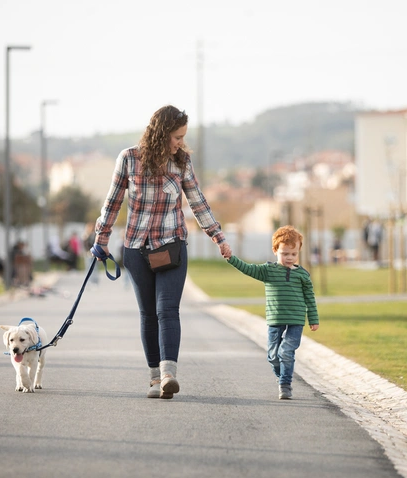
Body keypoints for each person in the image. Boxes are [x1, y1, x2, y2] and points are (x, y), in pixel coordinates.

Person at [91, 105, 231, 400]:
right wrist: (101, 238)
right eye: (177, 136)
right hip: (137, 249)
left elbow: (198, 202)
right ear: (162, 133)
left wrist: (217, 236)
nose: (181, 142)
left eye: (183, 137)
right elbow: (113, 202)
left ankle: (169, 375)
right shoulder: (128, 158)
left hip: (171, 247)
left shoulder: (182, 163)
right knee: (148, 315)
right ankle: (155, 379)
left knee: (167, 309)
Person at [225, 225, 319, 400]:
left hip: (296, 321)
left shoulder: (303, 275)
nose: (289, 257)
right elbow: (247, 268)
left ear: (298, 252)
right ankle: (281, 375)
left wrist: (313, 319)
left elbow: (310, 299)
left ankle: (285, 384)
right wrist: (231, 258)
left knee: (286, 352)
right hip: (275, 320)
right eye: (285, 253)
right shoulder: (267, 271)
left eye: (293, 254)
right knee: (273, 356)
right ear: (275, 250)